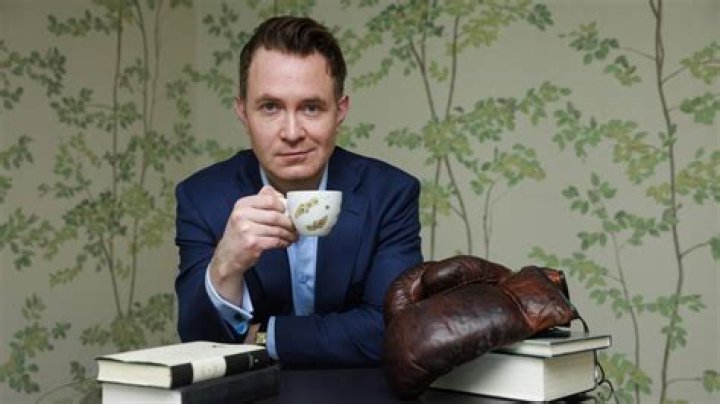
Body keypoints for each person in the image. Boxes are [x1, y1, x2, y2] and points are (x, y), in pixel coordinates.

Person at [174, 16, 422, 367]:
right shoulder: (202, 198)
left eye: (311, 107)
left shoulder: (391, 194)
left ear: (339, 111)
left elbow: (392, 329)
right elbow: (197, 343)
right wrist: (225, 266)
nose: (291, 133)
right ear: (243, 113)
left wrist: (263, 337)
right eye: (270, 107)